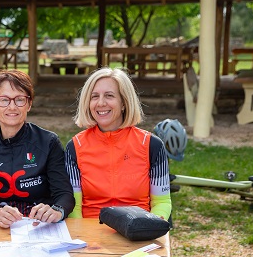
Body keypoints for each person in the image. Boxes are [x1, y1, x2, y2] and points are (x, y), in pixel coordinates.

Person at [0, 70, 75, 229]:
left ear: (29, 104)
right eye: (4, 100)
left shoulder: (49, 142)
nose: (12, 107)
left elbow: (64, 194)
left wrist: (57, 211)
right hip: (1, 226)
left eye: (19, 100)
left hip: (42, 227)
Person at [64, 67, 172, 220]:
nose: (101, 103)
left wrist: (153, 224)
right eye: (94, 96)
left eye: (109, 96)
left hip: (138, 229)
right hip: (91, 232)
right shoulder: (75, 146)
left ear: (124, 103)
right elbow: (74, 206)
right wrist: (81, 238)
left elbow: (162, 201)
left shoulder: (151, 145)